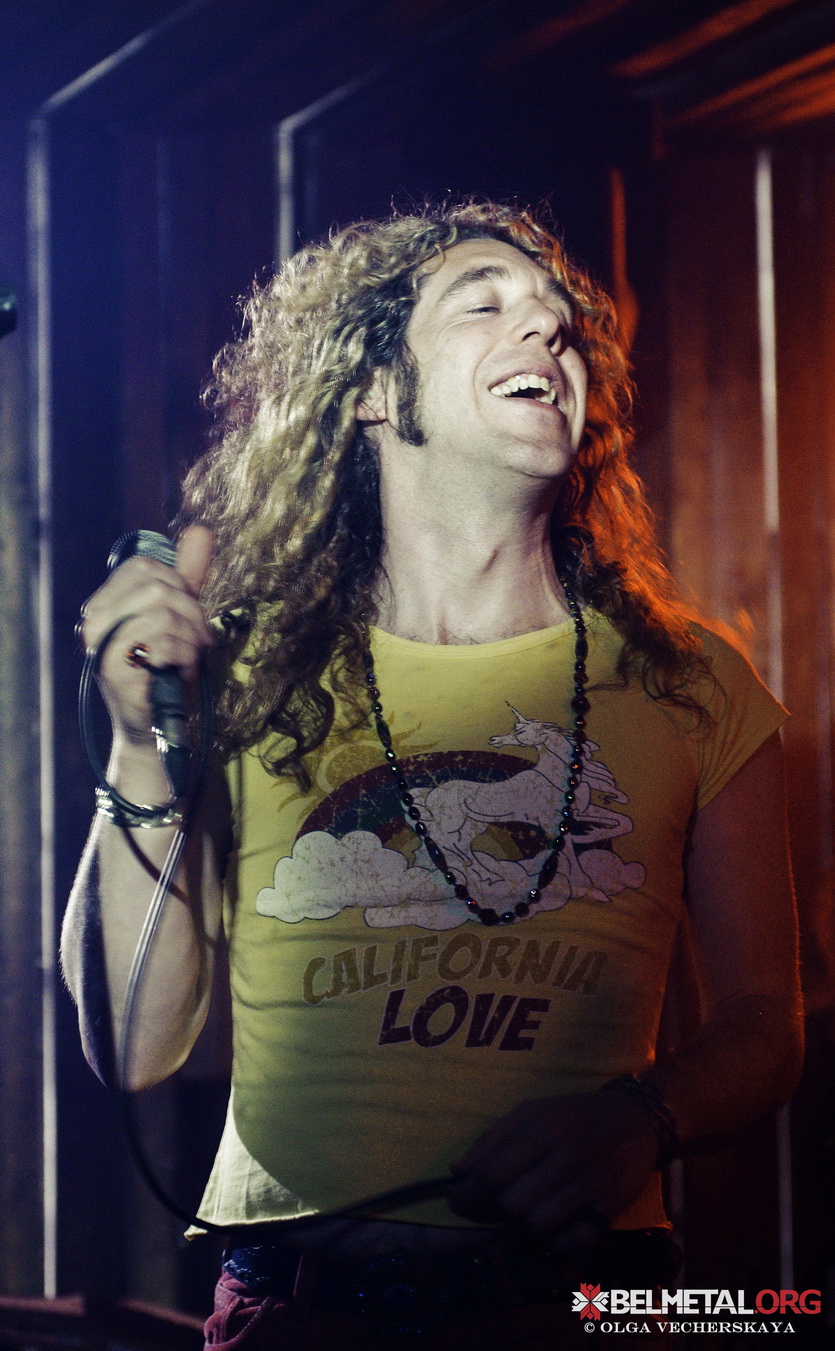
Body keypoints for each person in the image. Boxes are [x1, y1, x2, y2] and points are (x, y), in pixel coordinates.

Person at [63, 200, 803, 1349]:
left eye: (558, 322)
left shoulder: (689, 681)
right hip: (296, 1314)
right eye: (484, 303)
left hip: (587, 1305)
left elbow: (765, 1024)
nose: (545, 331)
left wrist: (636, 1119)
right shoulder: (243, 668)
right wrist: (133, 740)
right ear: (370, 388)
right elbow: (132, 1048)